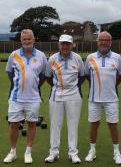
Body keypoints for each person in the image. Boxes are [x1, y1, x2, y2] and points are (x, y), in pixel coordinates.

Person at [3, 29, 47, 164]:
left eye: (29, 39)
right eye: (24, 40)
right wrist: (19, 84)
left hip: (33, 98)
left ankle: (28, 152)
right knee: (14, 125)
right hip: (16, 98)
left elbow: (43, 75)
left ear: (34, 39)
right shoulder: (13, 55)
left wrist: (33, 86)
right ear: (21, 41)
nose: (27, 41)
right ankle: (13, 152)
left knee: (32, 124)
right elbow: (10, 73)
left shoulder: (41, 56)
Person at [84, 31, 121, 164]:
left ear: (110, 42)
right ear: (97, 42)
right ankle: (92, 151)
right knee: (94, 125)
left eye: (106, 40)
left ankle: (116, 152)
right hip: (94, 99)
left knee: (113, 125)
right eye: (101, 40)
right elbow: (86, 75)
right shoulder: (90, 57)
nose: (104, 42)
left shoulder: (117, 57)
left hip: (111, 99)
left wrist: (111, 86)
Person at [44, 34, 85, 164]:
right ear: (59, 45)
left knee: (73, 125)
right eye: (63, 44)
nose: (65, 46)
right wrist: (58, 87)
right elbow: (48, 77)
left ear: (72, 45)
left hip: (74, 96)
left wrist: (71, 88)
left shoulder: (77, 58)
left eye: (68, 44)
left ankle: (73, 153)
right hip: (56, 96)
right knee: (55, 125)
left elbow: (82, 76)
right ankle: (53, 153)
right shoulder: (52, 59)